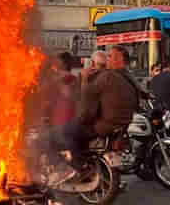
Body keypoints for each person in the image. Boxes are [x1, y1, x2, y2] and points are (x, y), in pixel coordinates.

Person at [52, 46, 137, 182]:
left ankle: (80, 168)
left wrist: (85, 80)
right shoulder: (128, 77)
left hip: (105, 125)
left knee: (65, 132)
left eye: (110, 56)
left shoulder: (106, 77)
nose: (107, 59)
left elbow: (87, 110)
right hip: (122, 123)